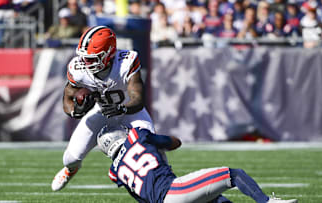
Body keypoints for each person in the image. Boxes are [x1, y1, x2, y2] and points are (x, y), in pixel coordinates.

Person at [51, 26, 156, 191]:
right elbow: (67, 97)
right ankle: (71, 170)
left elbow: (138, 99)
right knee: (70, 159)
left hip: (130, 112)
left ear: (109, 54)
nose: (86, 62)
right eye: (85, 58)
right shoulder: (78, 69)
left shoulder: (126, 62)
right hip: (101, 112)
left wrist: (122, 109)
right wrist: (75, 111)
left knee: (151, 150)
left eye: (92, 59)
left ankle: (162, 183)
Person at [96, 125, 299, 203]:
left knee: (217, 201)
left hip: (163, 200)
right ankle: (267, 202)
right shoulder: (136, 136)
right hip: (174, 191)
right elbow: (174, 142)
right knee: (233, 174)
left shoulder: (115, 172)